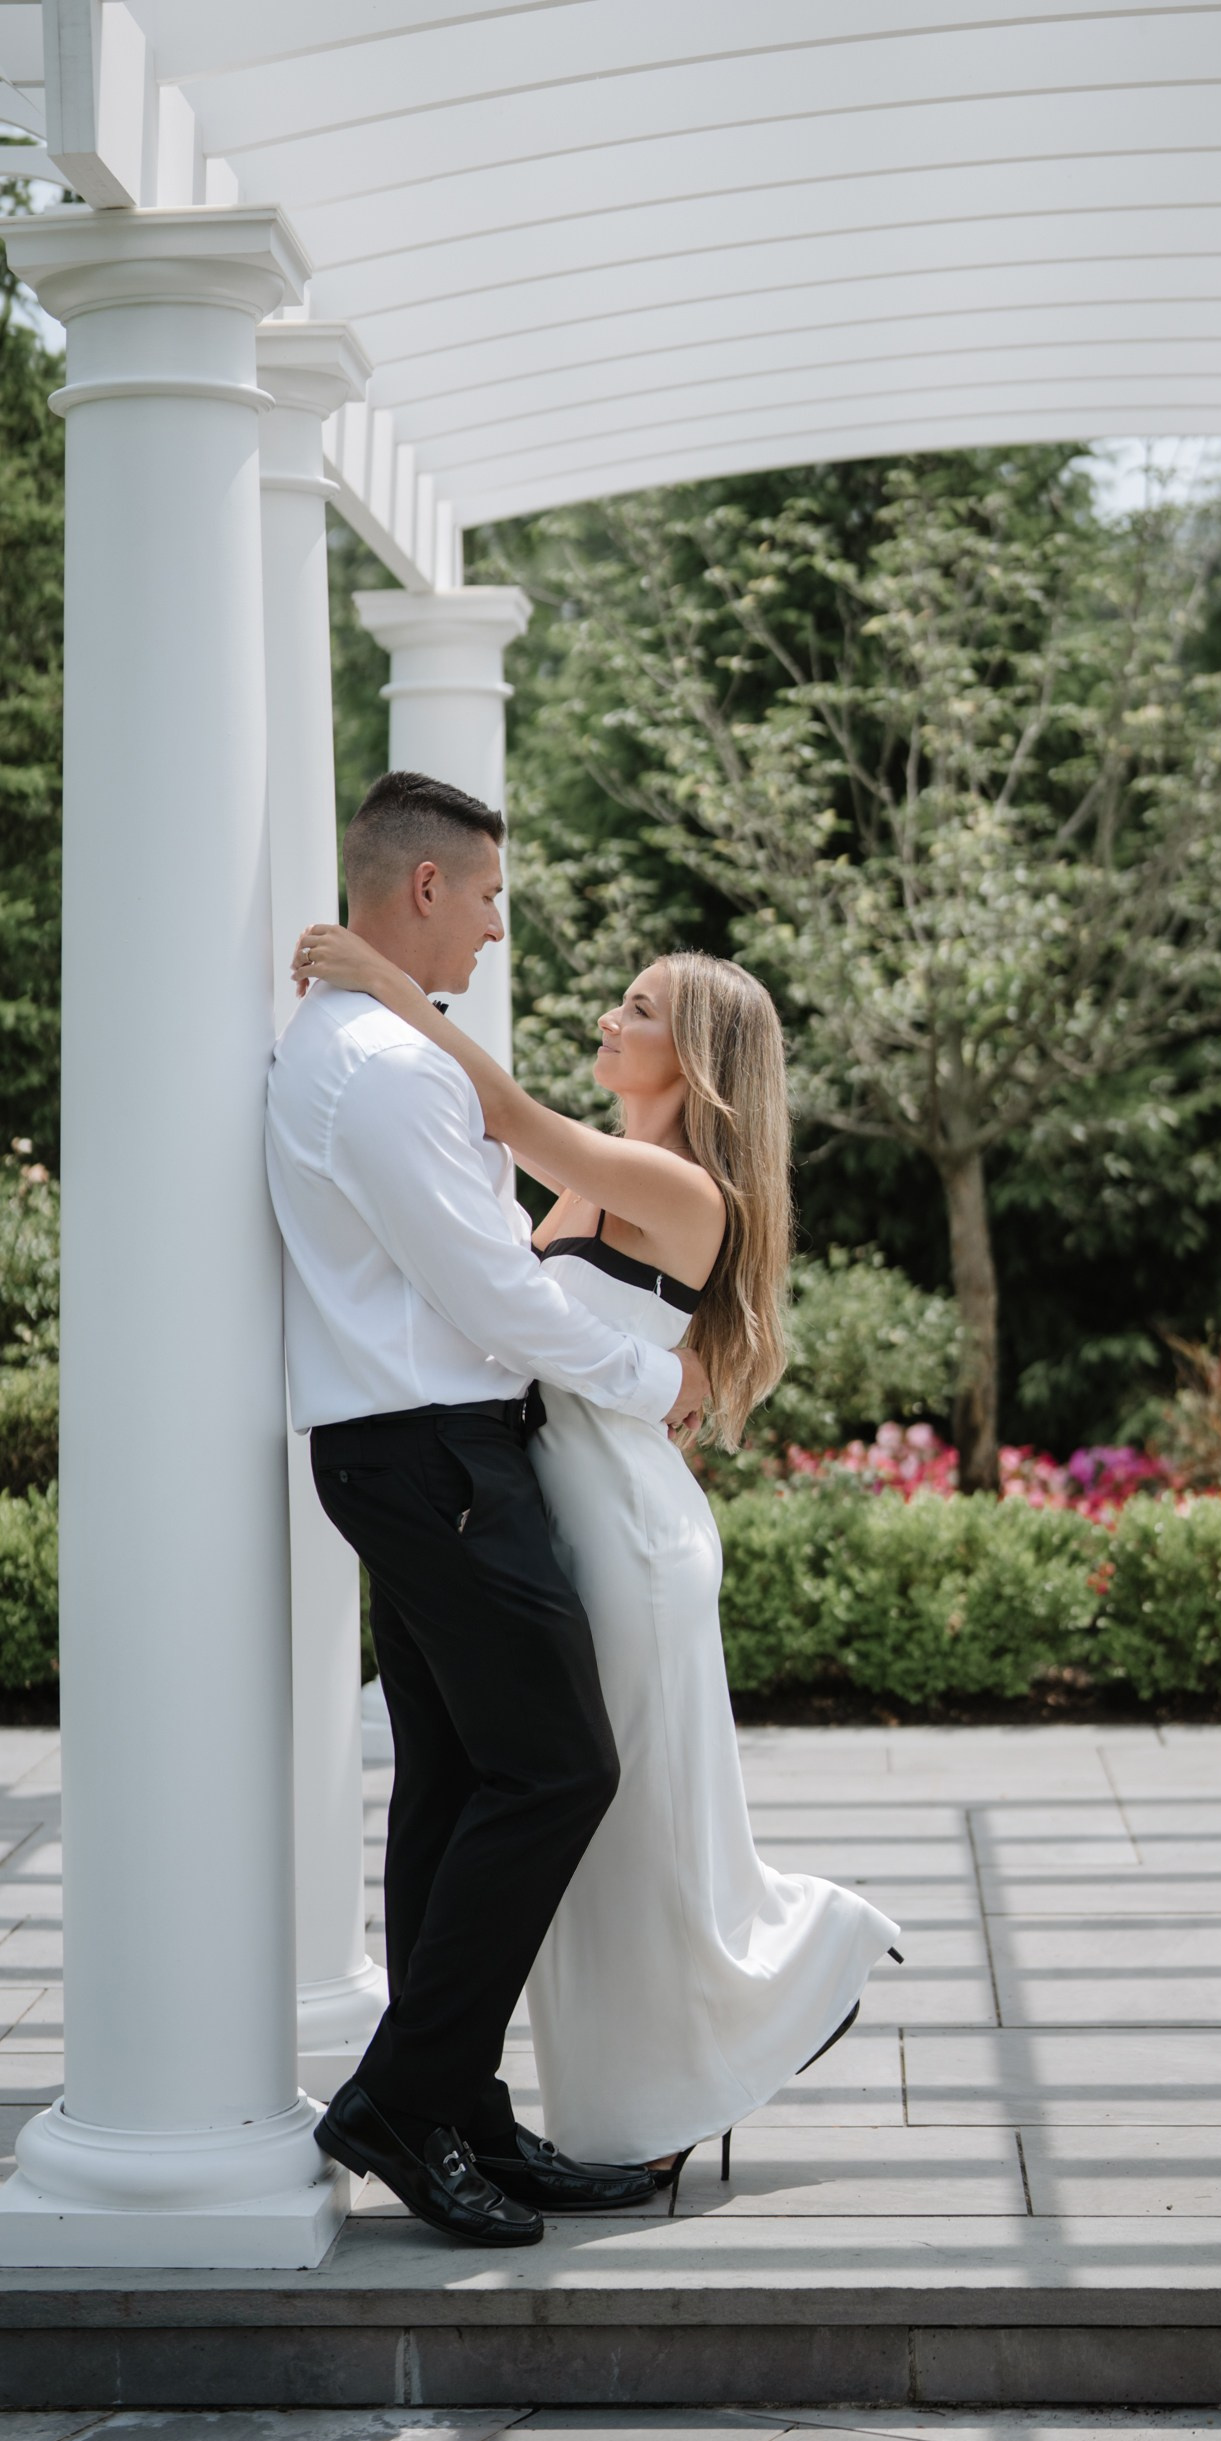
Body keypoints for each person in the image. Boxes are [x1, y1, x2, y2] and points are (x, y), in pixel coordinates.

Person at [291, 909, 899, 2201]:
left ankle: (694, 2055)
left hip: (624, 1527)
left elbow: (501, 1115)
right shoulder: (602, 1173)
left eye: (637, 1009)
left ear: (696, 1058)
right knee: (576, 1813)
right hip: (565, 1497)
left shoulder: (677, 1185)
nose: (610, 1021)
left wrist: (387, 983)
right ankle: (568, 2098)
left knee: (620, 1817)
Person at [266, 770, 712, 2250]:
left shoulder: (366, 1045)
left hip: (420, 1456)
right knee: (559, 1773)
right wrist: (655, 1384)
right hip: (439, 1460)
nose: (500, 931)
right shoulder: (386, 1072)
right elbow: (499, 1295)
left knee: (457, 1783)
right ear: (425, 891)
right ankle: (405, 2099)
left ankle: (458, 2112)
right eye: (492, 897)